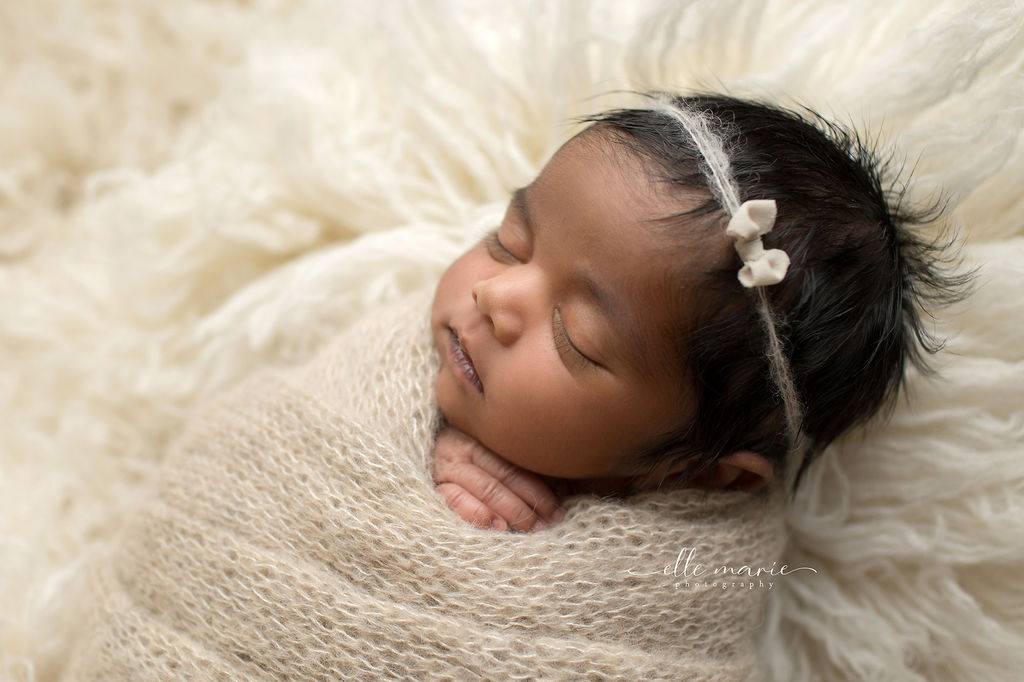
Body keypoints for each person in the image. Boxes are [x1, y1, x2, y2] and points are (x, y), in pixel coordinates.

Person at [430, 92, 966, 533]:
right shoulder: (411, 355)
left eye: (573, 337)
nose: (493, 295)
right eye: (508, 241)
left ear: (695, 473)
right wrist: (429, 444)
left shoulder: (677, 574)